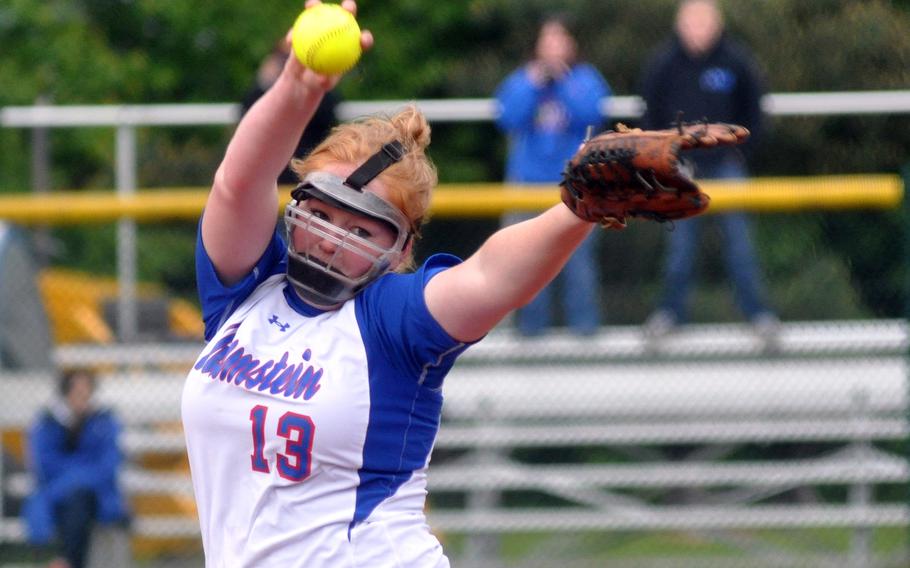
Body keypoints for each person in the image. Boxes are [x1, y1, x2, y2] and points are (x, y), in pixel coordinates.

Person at [180, 2, 603, 565]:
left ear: (401, 249)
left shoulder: (388, 318)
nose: (332, 238)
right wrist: (297, 87)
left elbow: (489, 277)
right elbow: (240, 180)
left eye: (361, 228)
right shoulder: (244, 290)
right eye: (323, 215)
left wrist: (578, 209)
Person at [639, 0, 779, 340]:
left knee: (740, 246)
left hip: (727, 169)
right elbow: (648, 115)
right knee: (679, 251)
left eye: (704, 21)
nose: (698, 29)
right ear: (679, 24)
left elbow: (755, 112)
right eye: (691, 21)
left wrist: (740, 153)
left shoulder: (736, 60)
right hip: (680, 171)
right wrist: (663, 158)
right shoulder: (663, 63)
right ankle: (670, 315)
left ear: (717, 24)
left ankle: (758, 316)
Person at [493, 13, 611, 337]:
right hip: (529, 186)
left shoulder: (585, 79)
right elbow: (508, 119)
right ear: (538, 46)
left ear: (571, 44)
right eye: (548, 40)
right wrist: (534, 84)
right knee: (528, 265)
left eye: (560, 40)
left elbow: (593, 113)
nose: (554, 47)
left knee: (579, 264)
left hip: (577, 187)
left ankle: (585, 336)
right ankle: (531, 337)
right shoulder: (523, 80)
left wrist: (564, 80)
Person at [23, 368, 130, 568]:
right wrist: (78, 477)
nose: (83, 398)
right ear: (65, 394)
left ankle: (65, 560)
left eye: (87, 392)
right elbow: (44, 465)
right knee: (74, 501)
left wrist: (74, 478)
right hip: (56, 494)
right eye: (77, 392)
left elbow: (109, 465)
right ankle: (67, 560)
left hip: (94, 494)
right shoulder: (47, 422)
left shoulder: (104, 421)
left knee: (79, 500)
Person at [241, 36, 341, 185]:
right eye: (284, 57)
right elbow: (246, 114)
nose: (289, 62)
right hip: (272, 176)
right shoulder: (263, 92)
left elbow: (328, 115)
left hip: (308, 173)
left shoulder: (321, 93)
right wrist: (265, 83)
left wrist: (313, 88)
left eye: (294, 57)